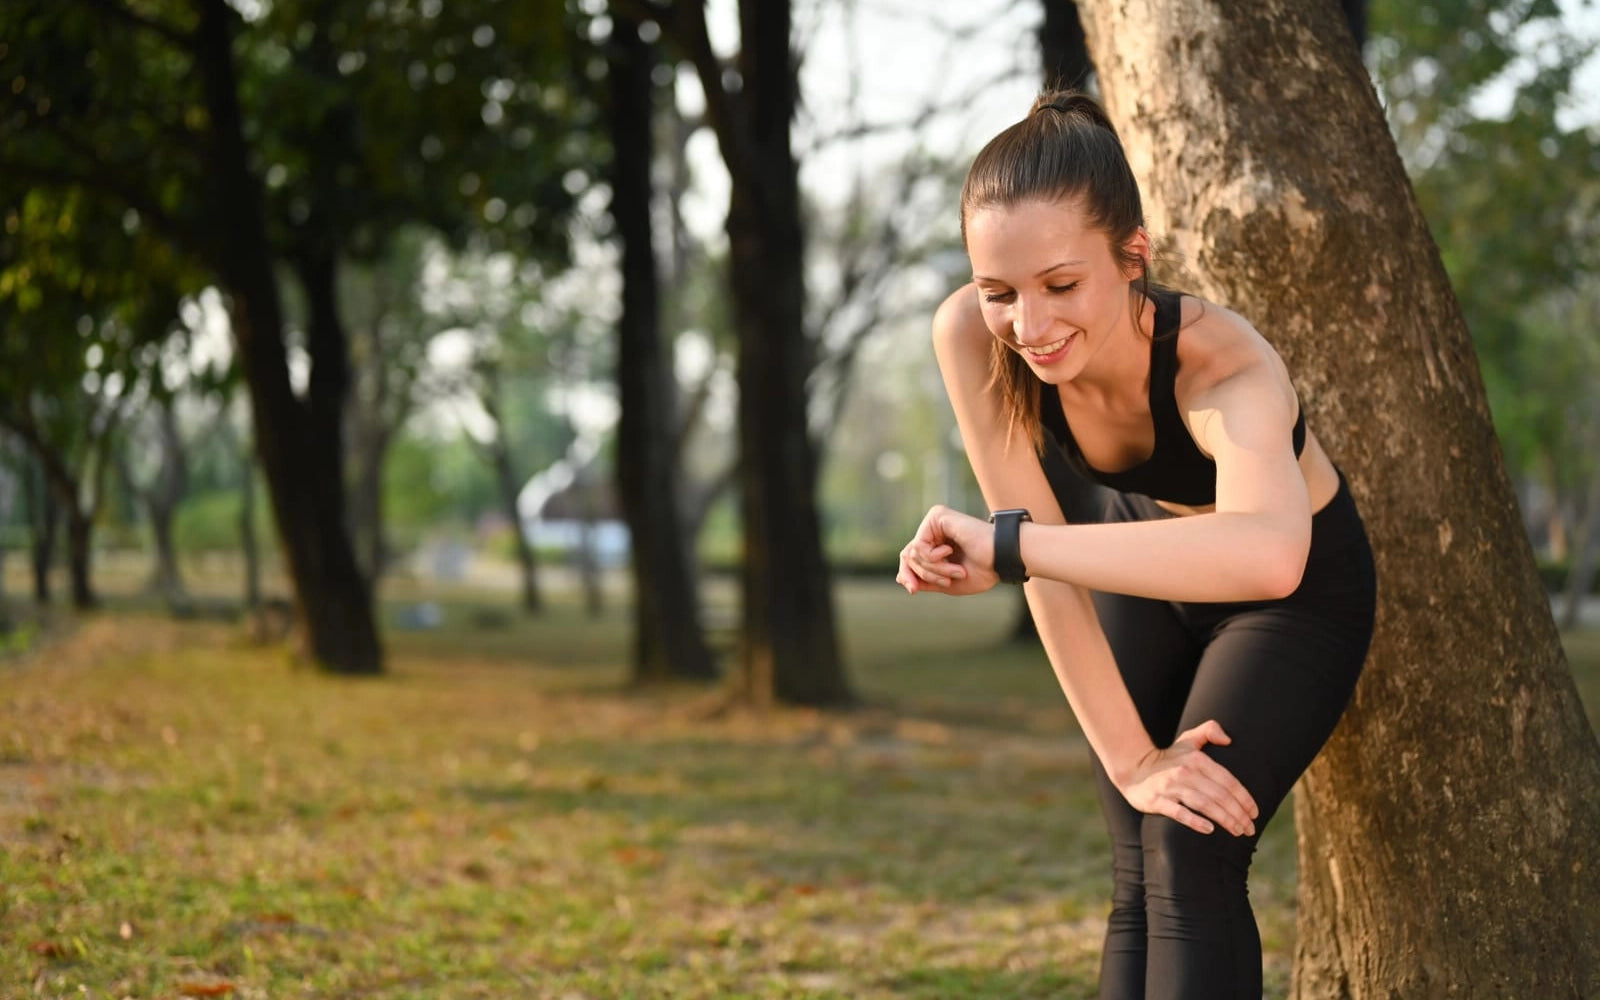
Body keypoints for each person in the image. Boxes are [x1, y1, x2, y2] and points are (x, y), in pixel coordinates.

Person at [896, 90, 1377, 1000]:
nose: (1030, 328)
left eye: (1062, 286)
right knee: (1136, 858)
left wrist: (1016, 550)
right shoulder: (971, 334)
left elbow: (1269, 553)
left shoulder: (1221, 365)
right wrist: (1131, 759)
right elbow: (1037, 560)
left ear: (1133, 258)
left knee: (1188, 845)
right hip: (1137, 553)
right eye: (1001, 291)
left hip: (1291, 595)